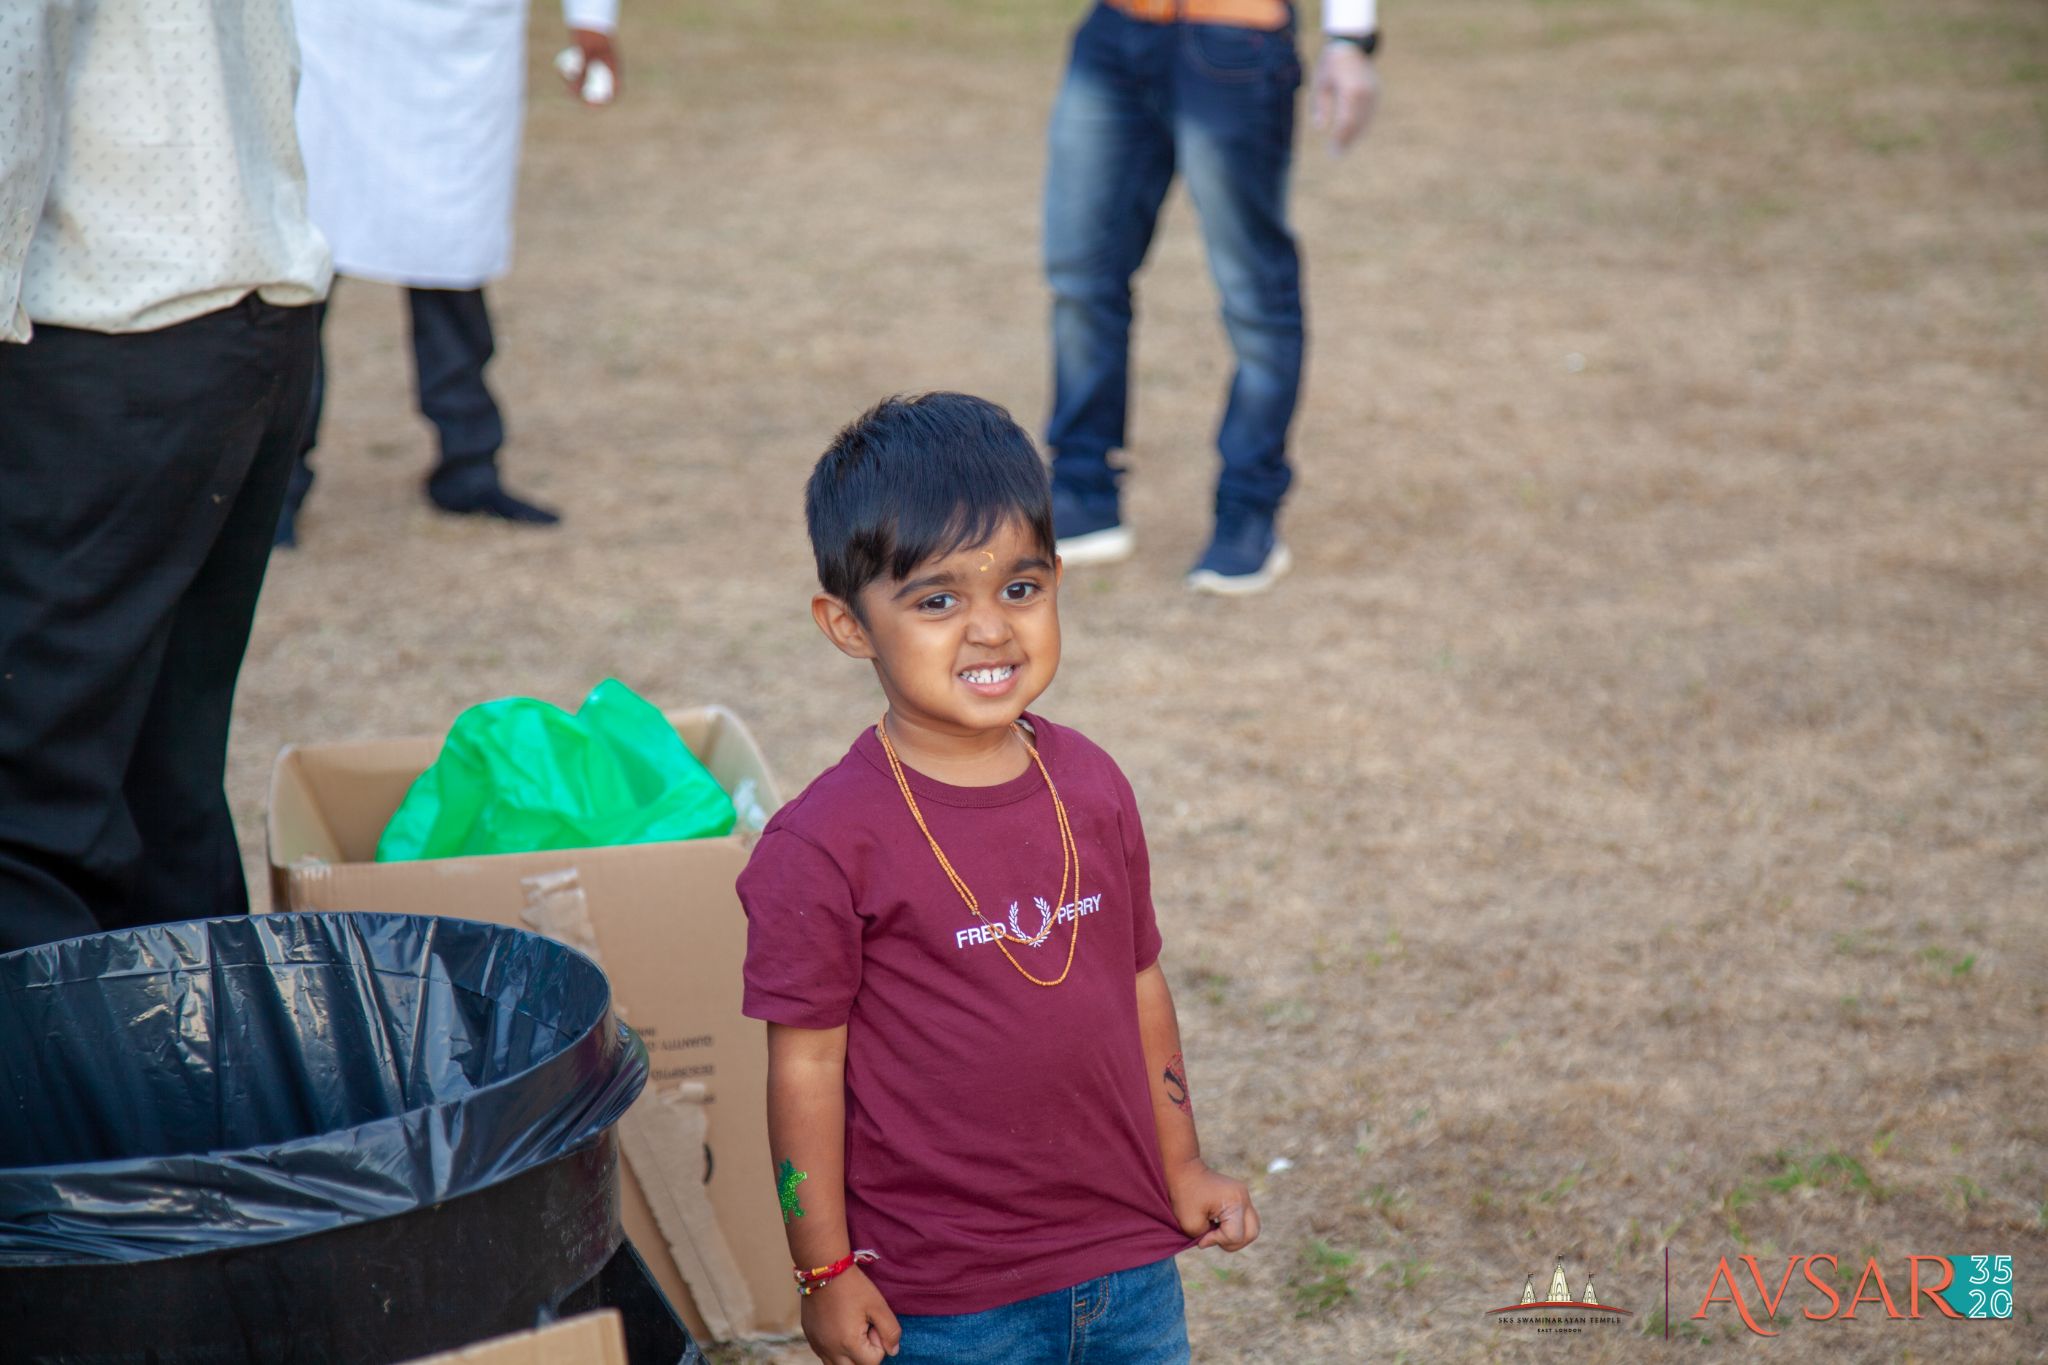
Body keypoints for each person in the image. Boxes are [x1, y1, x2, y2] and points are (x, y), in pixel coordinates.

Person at [738, 393, 1259, 1364]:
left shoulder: (1091, 784)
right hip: (946, 1306)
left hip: (1128, 1268)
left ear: (1056, 582)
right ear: (847, 626)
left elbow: (1137, 982)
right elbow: (802, 1067)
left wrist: (1179, 1166)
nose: (988, 630)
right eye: (936, 600)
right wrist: (823, 1269)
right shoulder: (821, 845)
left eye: (1017, 590)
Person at [0, 0, 331, 953]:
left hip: (110, 325)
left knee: (32, 807)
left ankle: (79, 1102)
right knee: (159, 786)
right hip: (246, 306)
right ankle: (203, 1098)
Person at [1043, 0, 1383, 594]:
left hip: (1237, 39)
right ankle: (1080, 492)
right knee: (1080, 274)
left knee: (1253, 295)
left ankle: (1247, 512)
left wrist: (1349, 39)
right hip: (1116, 32)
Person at [274, 0, 624, 545]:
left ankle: (469, 467)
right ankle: (276, 487)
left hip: (467, 48)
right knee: (307, 268)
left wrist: (593, 21)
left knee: (452, 261)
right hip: (338, 37)